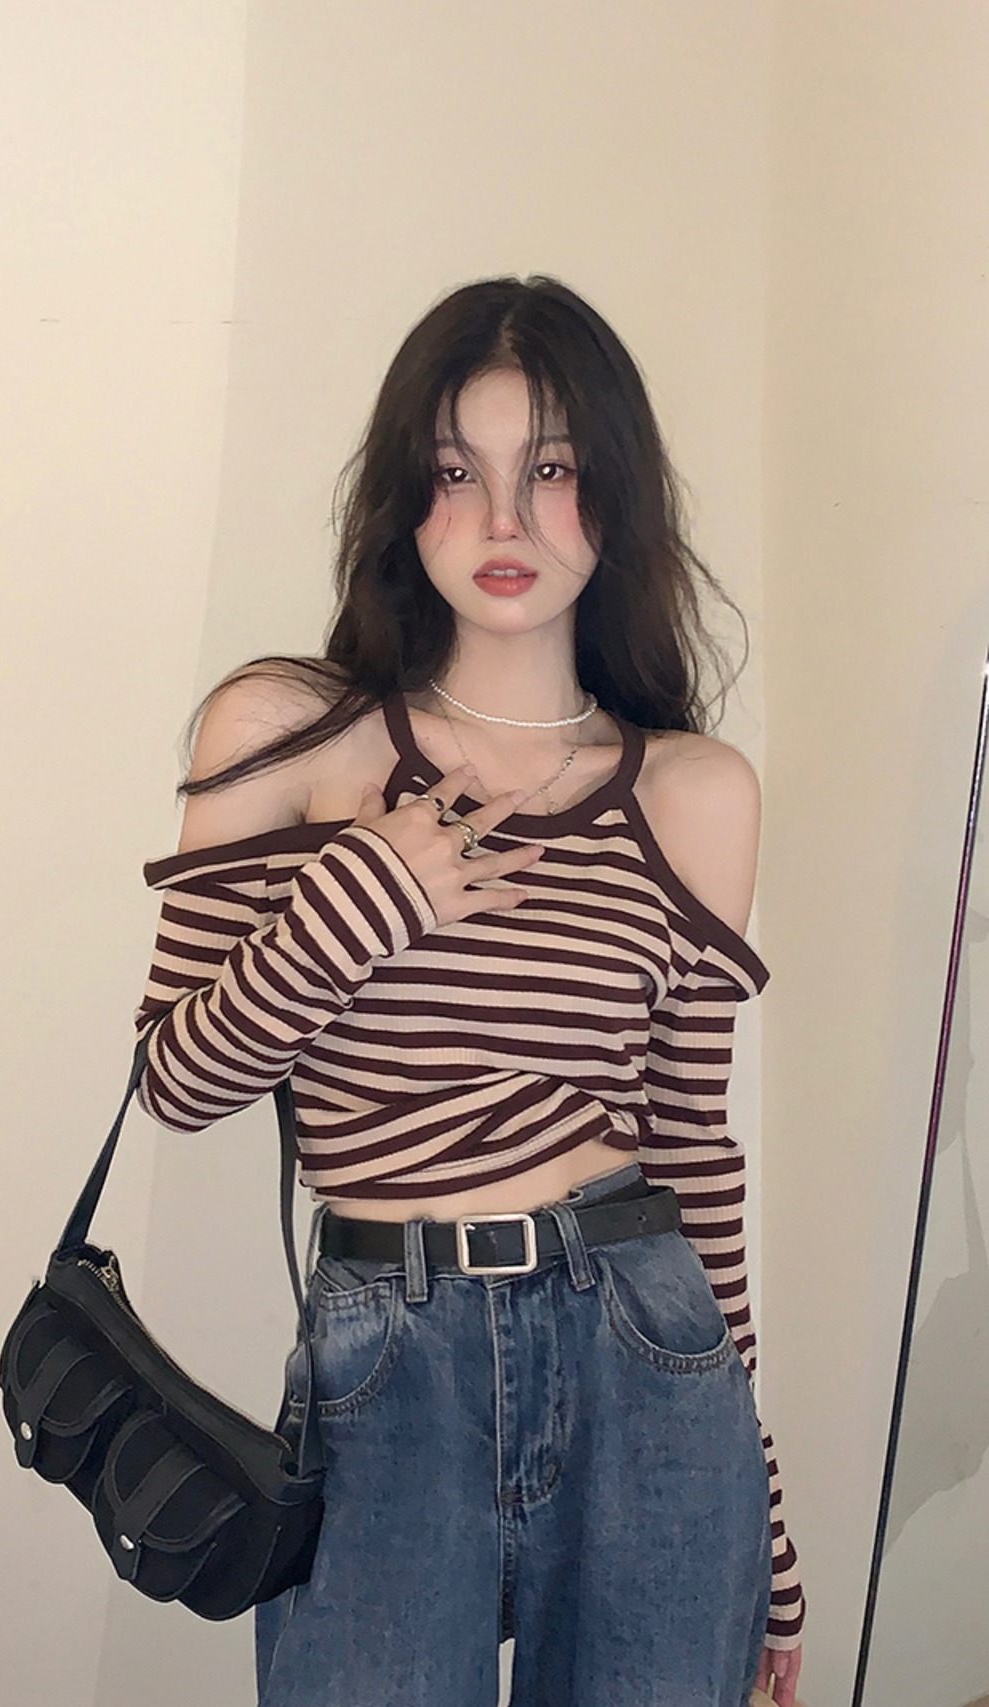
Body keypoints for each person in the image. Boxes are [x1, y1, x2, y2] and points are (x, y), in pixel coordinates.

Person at [133, 275, 805, 1706]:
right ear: (402, 497)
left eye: (550, 470)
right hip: (389, 1358)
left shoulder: (692, 790)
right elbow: (177, 1083)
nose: (505, 521)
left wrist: (771, 1520)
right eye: (456, 473)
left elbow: (694, 1153)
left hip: (645, 1352)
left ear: (615, 495)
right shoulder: (287, 732)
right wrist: (367, 897)